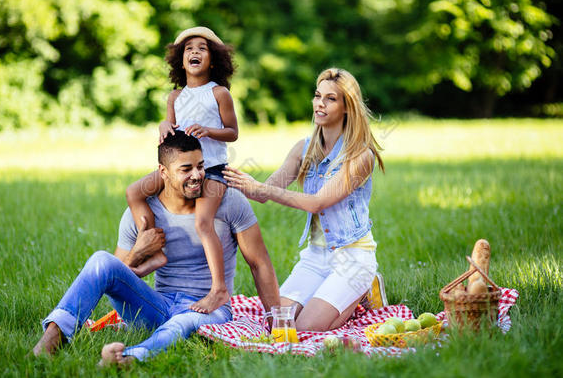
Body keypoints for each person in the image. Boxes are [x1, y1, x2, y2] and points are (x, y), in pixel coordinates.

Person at [32, 131, 279, 364]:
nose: (197, 175)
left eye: (201, 166)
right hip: (157, 305)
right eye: (186, 169)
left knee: (182, 322)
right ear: (163, 172)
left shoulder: (229, 202)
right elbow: (115, 275)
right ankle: (50, 341)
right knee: (100, 260)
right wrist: (138, 252)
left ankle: (129, 358)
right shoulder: (142, 213)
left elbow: (259, 264)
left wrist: (277, 324)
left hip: (209, 310)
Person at [223, 68, 385, 332]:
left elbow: (317, 203)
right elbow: (265, 192)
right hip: (315, 257)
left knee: (305, 329)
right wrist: (231, 178)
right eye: (317, 95)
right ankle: (337, 294)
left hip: (352, 259)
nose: (320, 103)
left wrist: (261, 190)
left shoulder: (360, 156)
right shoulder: (304, 148)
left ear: (347, 107)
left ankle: (365, 287)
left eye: (331, 99)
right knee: (277, 325)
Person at [126, 26, 238, 314]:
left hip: (211, 169)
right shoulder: (175, 97)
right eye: (189, 49)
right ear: (181, 59)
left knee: (203, 222)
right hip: (179, 172)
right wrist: (164, 125)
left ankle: (219, 289)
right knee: (134, 193)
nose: (195, 52)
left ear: (212, 60)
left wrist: (209, 131)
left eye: (202, 48)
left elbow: (233, 132)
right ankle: (154, 251)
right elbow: (169, 130)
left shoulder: (219, 93)